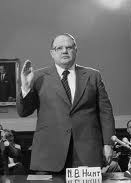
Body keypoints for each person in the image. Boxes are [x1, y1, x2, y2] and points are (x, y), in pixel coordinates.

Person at [17, 33, 115, 174]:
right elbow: (23, 112)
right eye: (59, 48)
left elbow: (106, 113)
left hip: (86, 153)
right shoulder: (38, 77)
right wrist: (25, 88)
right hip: (49, 154)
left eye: (69, 47)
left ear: (76, 50)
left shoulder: (93, 76)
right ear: (52, 53)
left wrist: (108, 144)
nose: (64, 51)